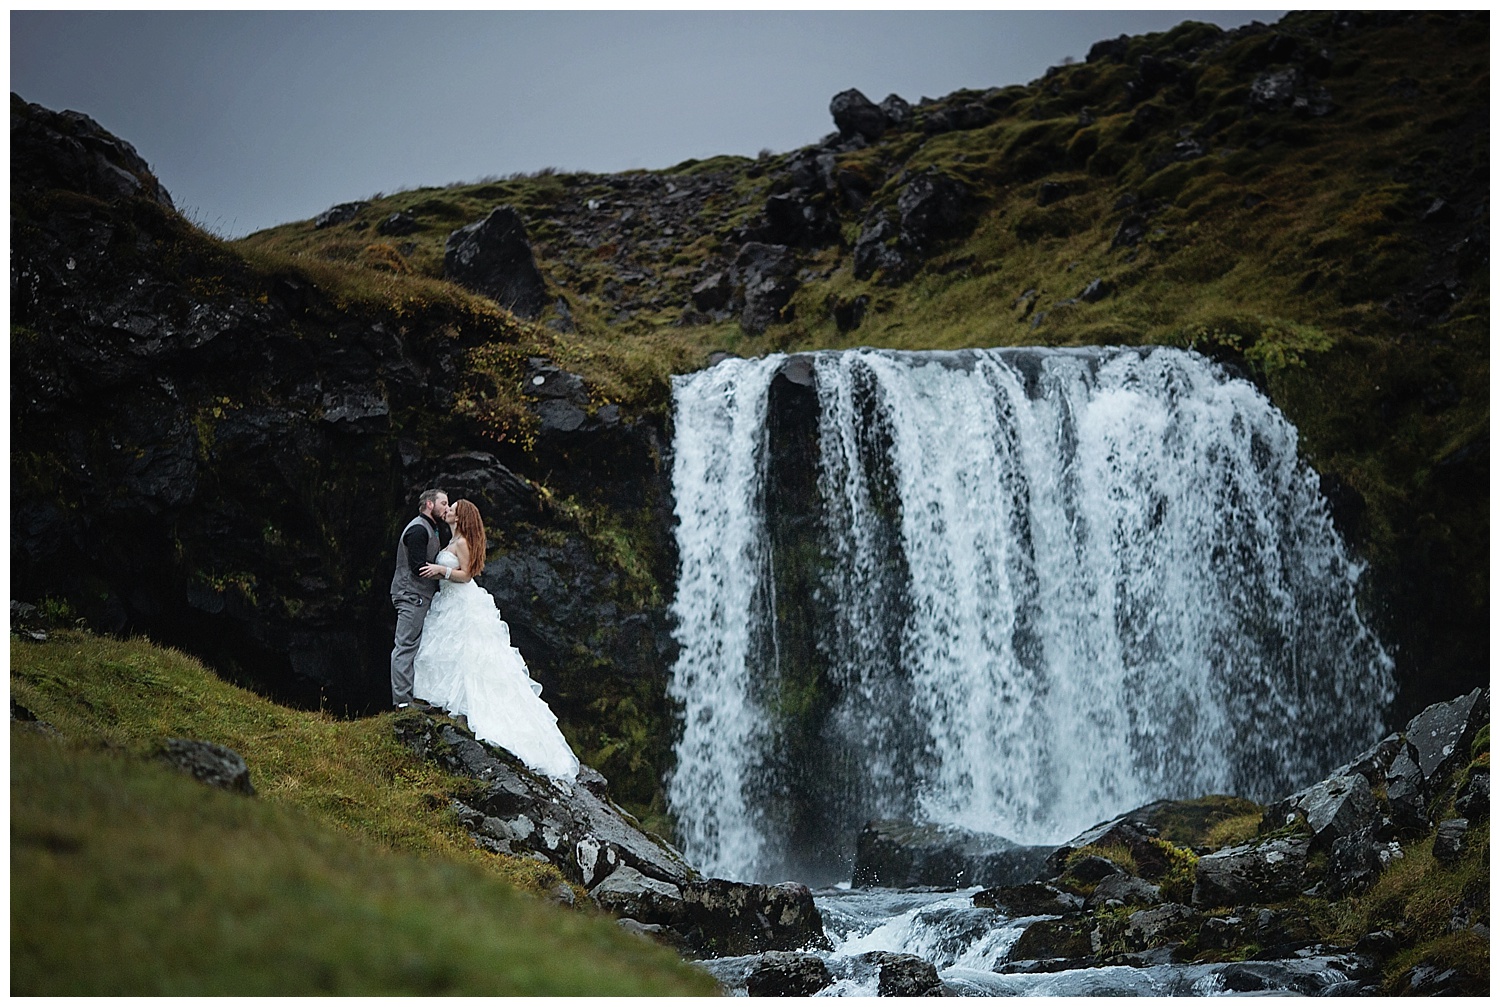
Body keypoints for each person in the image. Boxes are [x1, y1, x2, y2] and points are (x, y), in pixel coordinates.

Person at [413, 499, 580, 781]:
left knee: (469, 656)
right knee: (450, 651)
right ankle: (443, 702)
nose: (448, 510)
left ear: (461, 516)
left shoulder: (463, 542)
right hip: (448, 602)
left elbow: (466, 576)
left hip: (461, 601)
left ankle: (465, 708)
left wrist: (441, 570)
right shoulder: (452, 538)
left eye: (452, 508)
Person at [389, 488, 451, 710]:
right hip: (411, 595)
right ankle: (403, 703)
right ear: (430, 505)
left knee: (415, 646)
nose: (447, 507)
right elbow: (417, 568)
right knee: (405, 646)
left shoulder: (431, 528)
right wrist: (447, 572)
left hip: (419, 595)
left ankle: (412, 696)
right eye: (443, 503)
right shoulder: (418, 529)